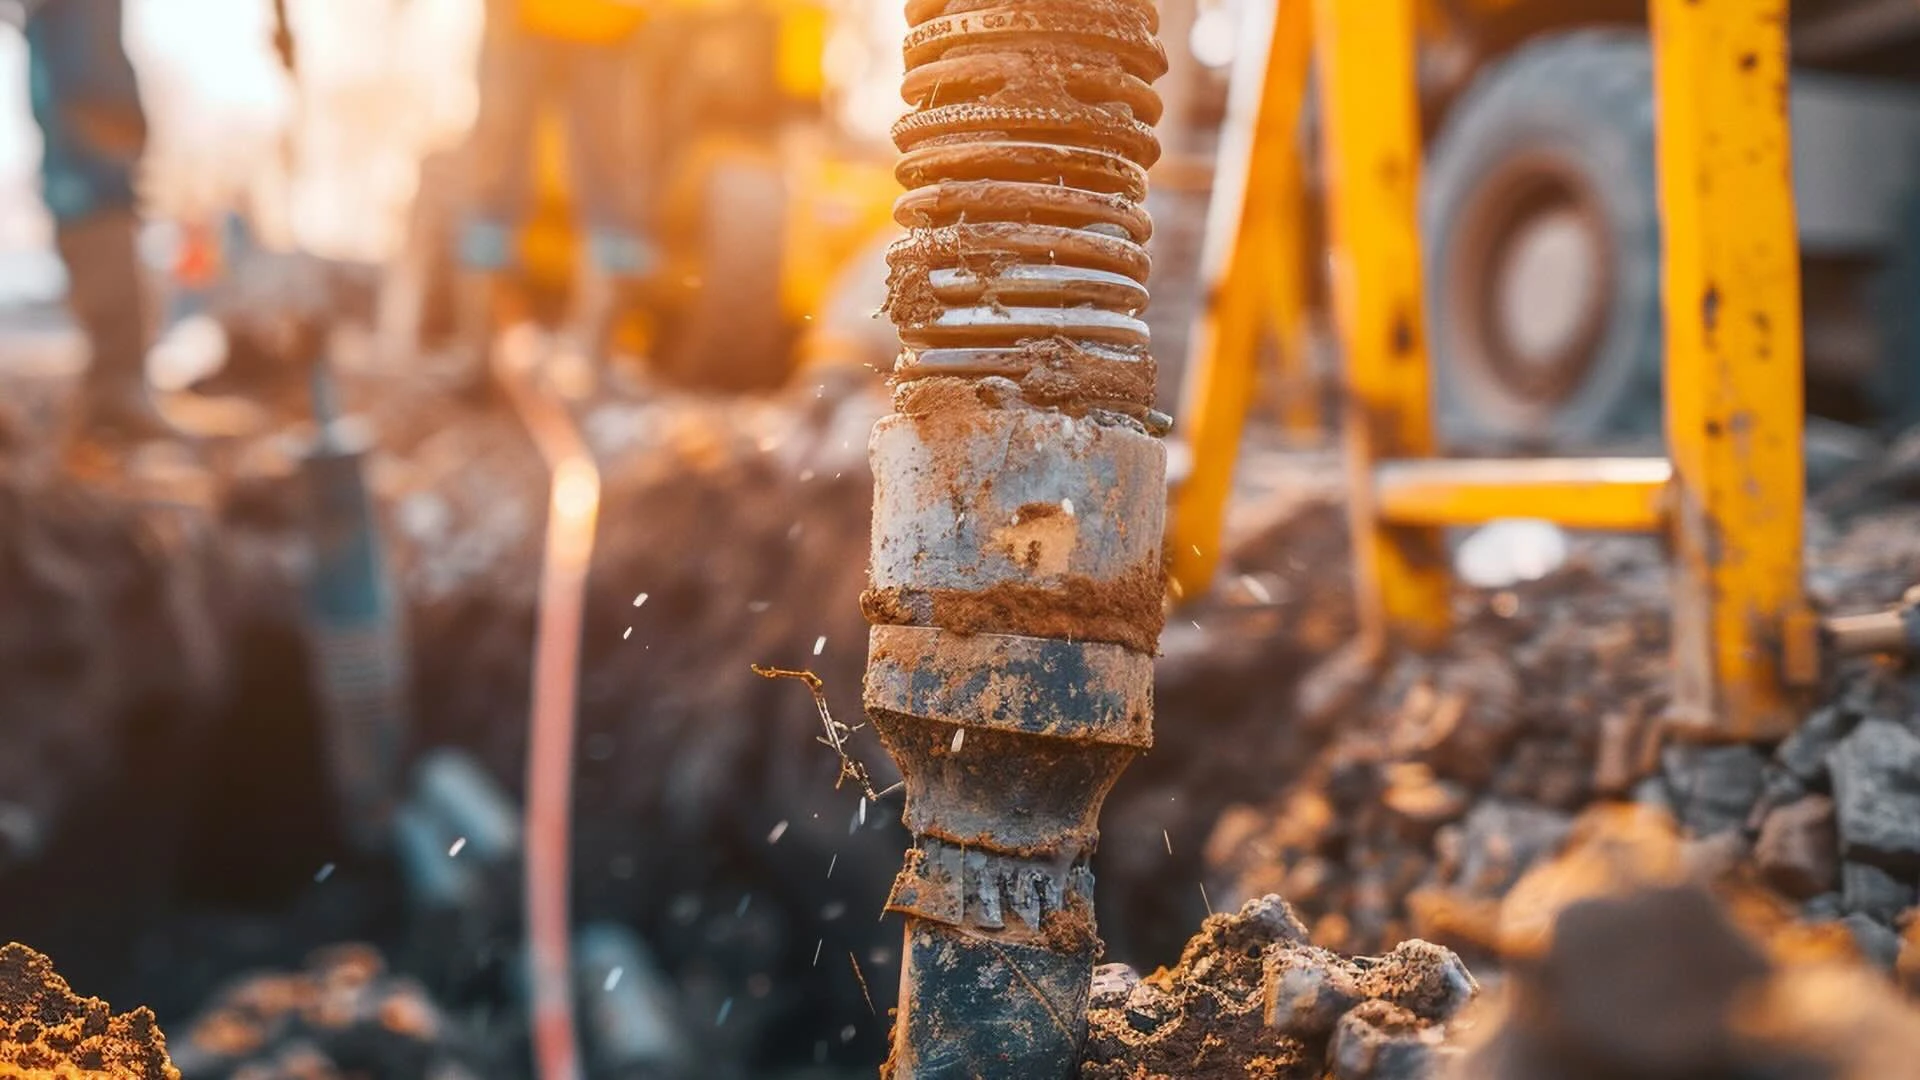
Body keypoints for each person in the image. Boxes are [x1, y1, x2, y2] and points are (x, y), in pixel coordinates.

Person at [455, 0, 658, 380]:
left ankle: (600, 357)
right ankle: (483, 350)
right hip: (538, 20)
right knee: (499, 181)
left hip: (606, 26)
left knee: (605, 193)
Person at [25, 0, 182, 450]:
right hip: (88, 184)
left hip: (94, 180)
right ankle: (116, 403)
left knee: (122, 291)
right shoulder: (68, 14)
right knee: (113, 294)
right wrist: (118, 148)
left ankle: (117, 400)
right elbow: (85, 87)